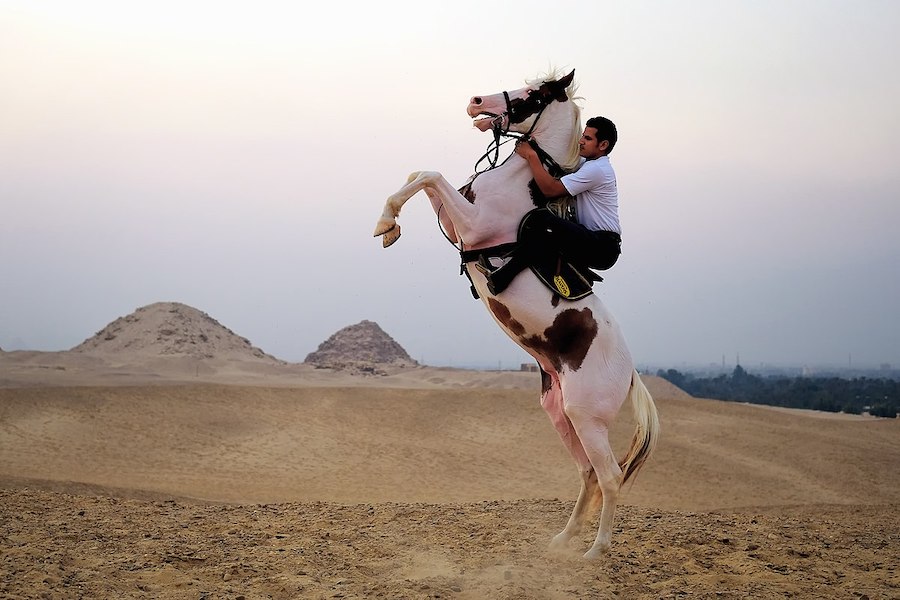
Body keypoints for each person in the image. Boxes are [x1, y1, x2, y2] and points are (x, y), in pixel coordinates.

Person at [478, 115, 622, 294]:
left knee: (540, 219)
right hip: (592, 239)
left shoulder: (597, 170)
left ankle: (502, 277)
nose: (581, 141)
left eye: (588, 138)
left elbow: (550, 190)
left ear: (603, 145)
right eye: (583, 136)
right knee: (543, 235)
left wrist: (531, 156)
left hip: (602, 247)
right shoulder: (587, 164)